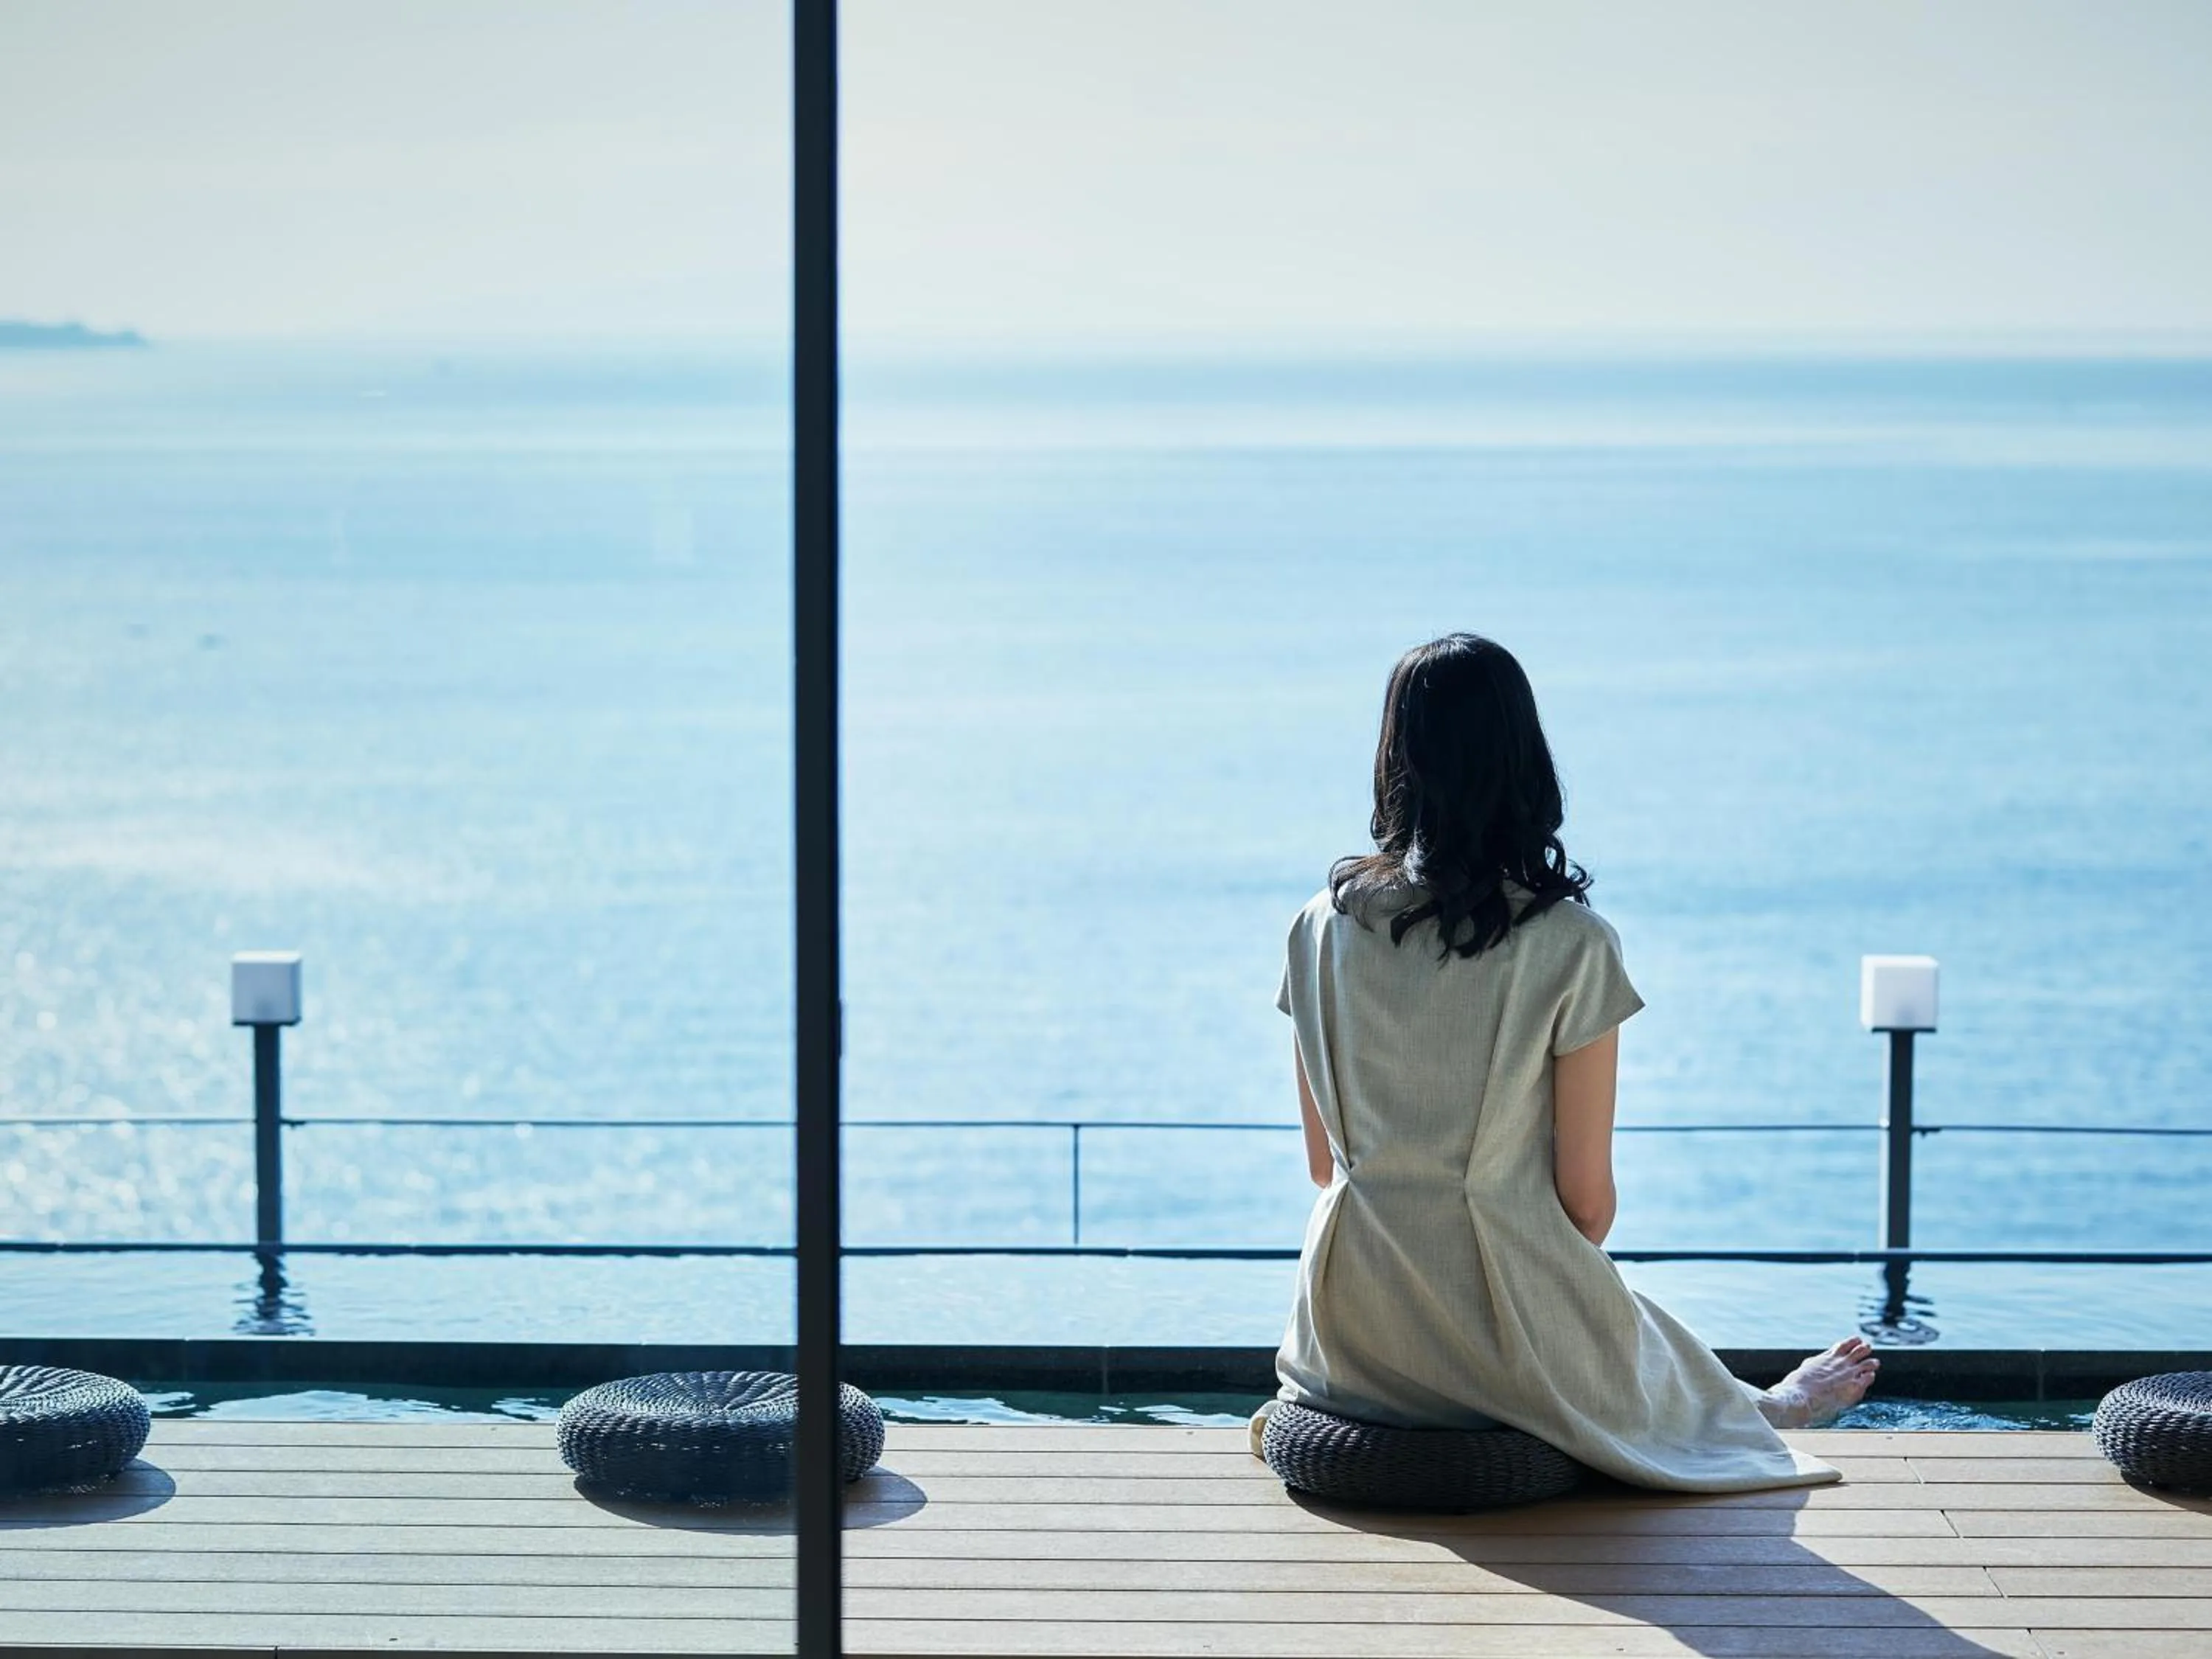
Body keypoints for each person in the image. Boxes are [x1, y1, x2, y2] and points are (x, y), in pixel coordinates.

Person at [1253, 633, 1876, 1492]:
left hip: (1345, 1336)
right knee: (1603, 1301)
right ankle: (1762, 1409)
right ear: (1524, 760)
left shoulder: (1318, 925)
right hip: (1493, 1332)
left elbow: (1324, 1164)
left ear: (1394, 757)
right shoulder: (1569, 944)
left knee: (1601, 1306)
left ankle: (1739, 1400)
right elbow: (1585, 1207)